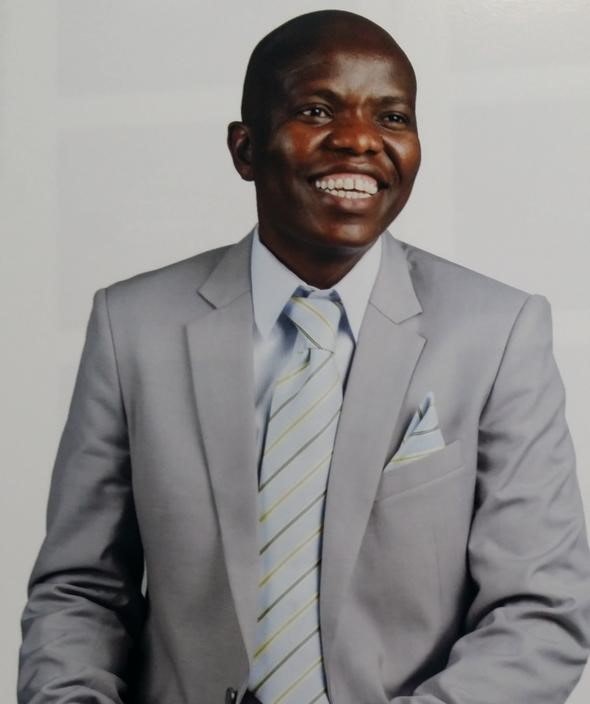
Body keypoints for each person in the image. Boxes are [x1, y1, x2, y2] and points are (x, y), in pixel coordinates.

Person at [18, 9, 590, 704]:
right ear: (245, 149)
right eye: (317, 110)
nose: (359, 139)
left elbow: (540, 612)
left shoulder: (497, 333)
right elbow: (81, 591)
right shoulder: (133, 326)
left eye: (392, 117)